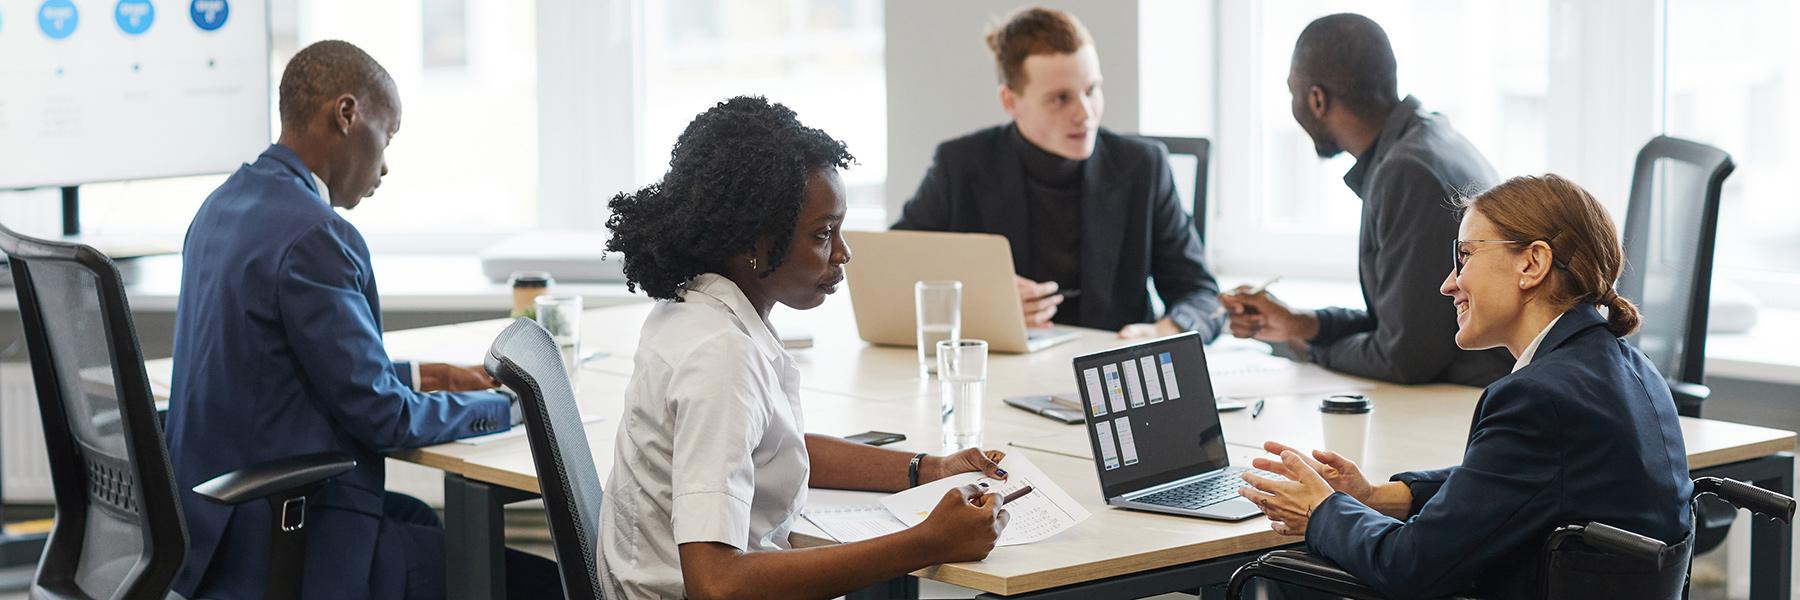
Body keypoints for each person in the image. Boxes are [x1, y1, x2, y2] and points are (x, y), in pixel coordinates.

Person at [166, 40, 559, 599]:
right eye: (388, 134)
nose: (386, 162)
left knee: (425, 524)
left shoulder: (224, 206)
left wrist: (427, 375)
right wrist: (509, 407)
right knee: (548, 584)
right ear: (346, 113)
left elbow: (288, 365)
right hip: (281, 543)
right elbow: (384, 419)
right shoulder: (315, 235)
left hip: (212, 533)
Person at [601, 96, 1013, 600]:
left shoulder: (698, 310)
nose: (844, 253)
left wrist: (931, 469)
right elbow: (717, 585)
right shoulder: (720, 355)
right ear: (755, 243)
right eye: (823, 234)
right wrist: (924, 543)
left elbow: (775, 449)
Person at [1238, 175, 1693, 599]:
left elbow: (1409, 566)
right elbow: (1517, 482)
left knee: (1274, 577)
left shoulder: (1538, 398)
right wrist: (1377, 498)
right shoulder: (1626, 364)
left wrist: (1321, 511)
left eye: (1465, 257)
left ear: (1532, 263)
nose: (1448, 284)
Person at [892, 6, 1223, 340]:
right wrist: (982, 304)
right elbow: (892, 269)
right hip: (999, 370)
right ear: (1010, 101)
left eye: (1092, 90)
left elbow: (1202, 295)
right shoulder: (960, 164)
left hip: (1110, 369)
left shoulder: (1143, 165)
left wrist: (1164, 331)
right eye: (1060, 98)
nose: (1085, 113)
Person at [1218, 13, 1512, 386]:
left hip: (1463, 402)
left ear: (1317, 100)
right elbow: (1399, 321)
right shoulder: (1427, 137)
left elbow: (1404, 357)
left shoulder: (1407, 172)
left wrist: (1309, 349)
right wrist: (1303, 323)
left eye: (1292, 91)